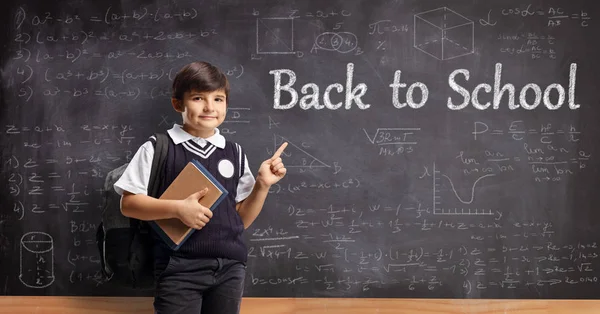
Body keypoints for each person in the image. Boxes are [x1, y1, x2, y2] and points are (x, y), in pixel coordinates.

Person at [113, 61, 288, 314]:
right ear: (178, 104)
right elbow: (128, 204)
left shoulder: (235, 153)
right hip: (178, 267)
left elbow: (240, 221)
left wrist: (262, 185)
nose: (209, 107)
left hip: (230, 267)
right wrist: (177, 209)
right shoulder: (158, 147)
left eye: (218, 99)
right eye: (198, 98)